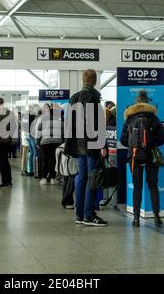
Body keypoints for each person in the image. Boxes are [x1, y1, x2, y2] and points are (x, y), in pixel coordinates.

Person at [65, 69, 108, 227]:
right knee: (92, 179)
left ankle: (79, 214)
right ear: (95, 81)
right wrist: (103, 144)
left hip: (78, 145)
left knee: (82, 178)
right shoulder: (93, 97)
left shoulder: (74, 98)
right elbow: (96, 123)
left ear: (83, 80)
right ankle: (89, 215)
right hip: (91, 145)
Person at [120, 90, 164, 228]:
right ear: (147, 102)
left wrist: (131, 145)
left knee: (137, 187)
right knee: (153, 186)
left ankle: (136, 219)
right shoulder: (154, 118)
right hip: (150, 155)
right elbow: (162, 138)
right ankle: (157, 217)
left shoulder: (129, 118)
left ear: (136, 102)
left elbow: (123, 139)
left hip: (134, 156)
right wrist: (152, 144)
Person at [36, 104, 64, 185]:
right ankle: (53, 178)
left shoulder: (42, 119)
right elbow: (62, 131)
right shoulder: (59, 119)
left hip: (45, 142)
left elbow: (38, 132)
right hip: (56, 142)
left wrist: (37, 142)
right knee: (53, 160)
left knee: (45, 160)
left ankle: (44, 178)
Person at [0, 97, 15, 188]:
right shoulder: (10, 113)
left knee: (1, 161)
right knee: (5, 160)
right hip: (7, 140)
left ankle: (5, 181)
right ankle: (8, 180)